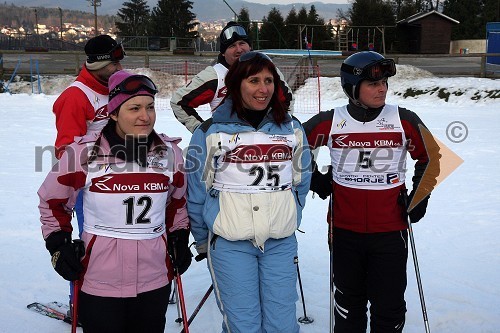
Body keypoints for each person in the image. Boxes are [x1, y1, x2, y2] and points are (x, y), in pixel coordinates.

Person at [38, 70, 191, 332]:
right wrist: (58, 244)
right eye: (134, 108)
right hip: (100, 278)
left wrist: (179, 236)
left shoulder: (170, 153)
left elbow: (178, 202)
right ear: (113, 113)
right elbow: (52, 201)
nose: (145, 116)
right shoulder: (84, 154)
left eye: (150, 107)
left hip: (154, 277)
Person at [303, 51, 440, 333]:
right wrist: (316, 178)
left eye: (384, 83)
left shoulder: (403, 119)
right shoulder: (331, 121)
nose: (382, 90)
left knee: (388, 308)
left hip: (390, 231)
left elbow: (433, 157)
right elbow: (293, 148)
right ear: (352, 88)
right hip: (344, 231)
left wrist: (419, 197)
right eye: (372, 84)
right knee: (348, 306)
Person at [186, 51, 311, 333]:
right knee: (244, 325)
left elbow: (302, 182)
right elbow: (196, 193)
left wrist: (291, 213)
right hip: (230, 244)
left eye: (269, 80)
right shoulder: (210, 132)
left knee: (283, 325)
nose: (263, 88)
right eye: (254, 80)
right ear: (236, 84)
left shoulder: (292, 129)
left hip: (280, 242)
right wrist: (204, 240)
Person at [170, 21, 293, 133]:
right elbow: (179, 102)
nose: (239, 49)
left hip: (266, 142)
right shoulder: (215, 75)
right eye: (232, 46)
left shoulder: (267, 70)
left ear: (250, 46)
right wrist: (204, 132)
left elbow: (287, 98)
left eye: (242, 43)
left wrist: (280, 128)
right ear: (223, 52)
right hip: (228, 145)